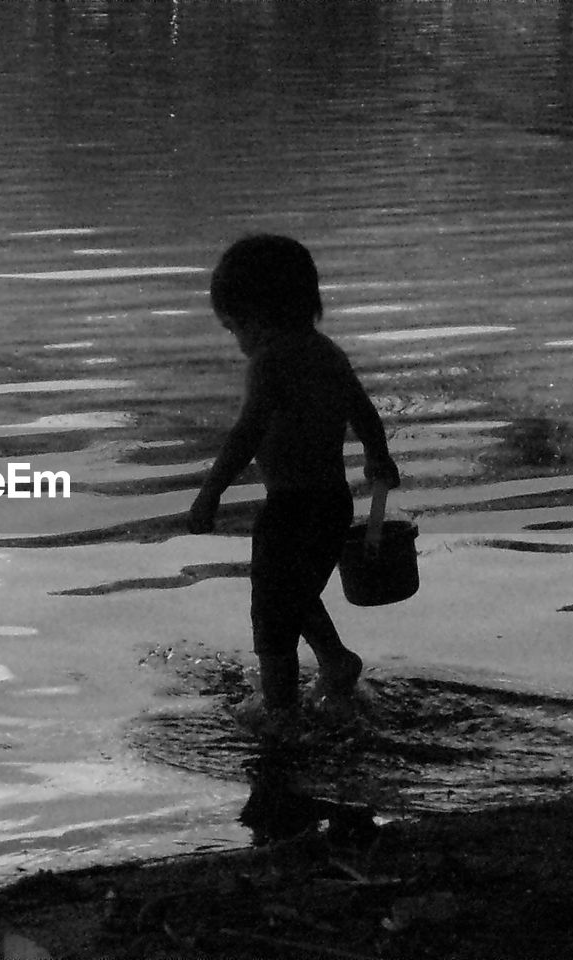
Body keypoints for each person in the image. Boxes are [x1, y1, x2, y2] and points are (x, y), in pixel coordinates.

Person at [187, 234, 400, 714]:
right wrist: (378, 456)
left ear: (257, 316)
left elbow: (247, 434)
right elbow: (363, 410)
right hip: (331, 503)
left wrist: (210, 493)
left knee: (271, 614)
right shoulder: (326, 352)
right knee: (295, 592)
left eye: (235, 328)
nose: (238, 343)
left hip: (290, 507)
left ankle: (280, 715)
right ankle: (335, 659)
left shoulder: (270, 363)